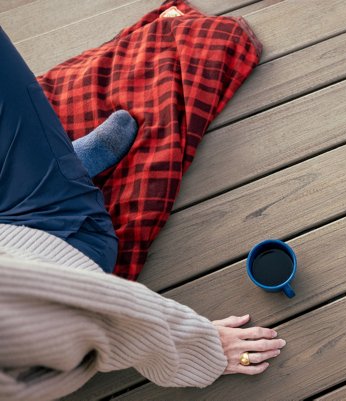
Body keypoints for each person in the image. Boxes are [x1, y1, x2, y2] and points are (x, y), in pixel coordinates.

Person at [0, 27, 285, 401]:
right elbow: (76, 313)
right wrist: (198, 350)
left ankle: (57, 168)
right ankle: (60, 175)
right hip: (54, 242)